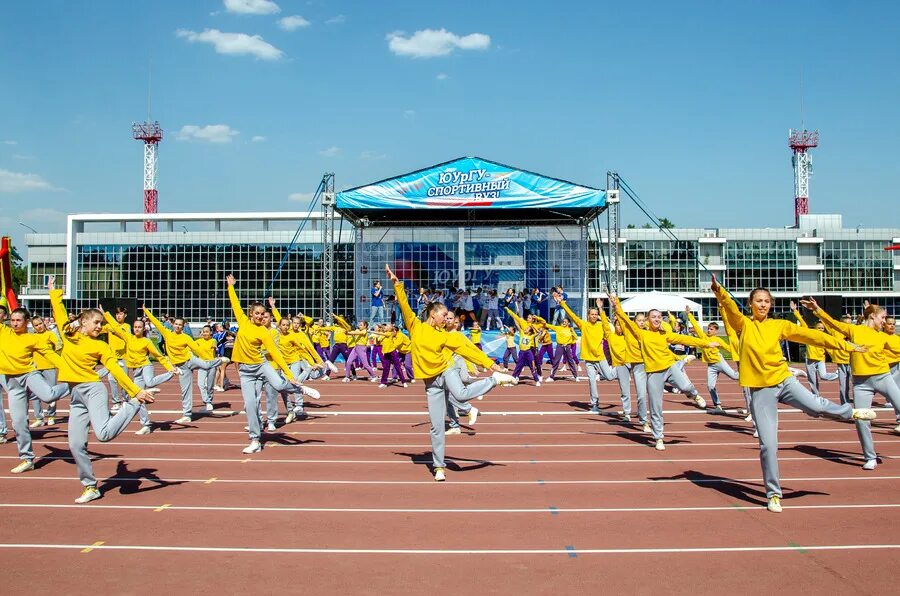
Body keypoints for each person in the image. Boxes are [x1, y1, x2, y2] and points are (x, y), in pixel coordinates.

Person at [712, 276, 876, 513]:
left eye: (767, 301)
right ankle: (773, 494)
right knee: (768, 445)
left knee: (816, 407)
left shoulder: (779, 325)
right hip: (761, 390)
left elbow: (811, 336)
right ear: (750, 304)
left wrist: (845, 346)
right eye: (758, 300)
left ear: (771, 305)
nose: (763, 304)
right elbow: (730, 308)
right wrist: (719, 291)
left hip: (784, 380)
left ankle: (851, 412)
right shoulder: (743, 325)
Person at [386, 263, 516, 481]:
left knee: (461, 394)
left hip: (445, 370)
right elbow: (404, 304)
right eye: (444, 314)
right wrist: (396, 283)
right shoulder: (416, 327)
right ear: (433, 315)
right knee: (437, 427)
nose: (447, 318)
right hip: (430, 383)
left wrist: (493, 366)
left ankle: (494, 380)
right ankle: (439, 466)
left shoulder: (447, 335)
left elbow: (468, 350)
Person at [48, 277, 157, 503]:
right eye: (96, 322)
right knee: (76, 444)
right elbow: (59, 313)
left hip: (94, 390)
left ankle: (133, 406)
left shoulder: (101, 346)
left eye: (101, 322)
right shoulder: (70, 338)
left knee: (104, 434)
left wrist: (136, 392)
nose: (100, 326)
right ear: (83, 323)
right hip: (75, 394)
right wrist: (54, 292)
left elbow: (116, 371)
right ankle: (90, 486)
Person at [801, 297, 900, 470]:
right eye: (882, 318)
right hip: (861, 383)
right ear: (873, 317)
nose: (884, 321)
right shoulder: (854, 330)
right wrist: (816, 309)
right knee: (861, 420)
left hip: (883, 377)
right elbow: (832, 324)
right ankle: (870, 457)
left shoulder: (883, 336)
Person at [226, 275, 319, 454]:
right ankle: (255, 439)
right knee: (250, 404)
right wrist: (231, 287)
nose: (261, 316)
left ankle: (299, 388)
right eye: (257, 313)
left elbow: (276, 355)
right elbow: (235, 303)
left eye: (263, 314)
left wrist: (290, 375)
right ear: (250, 314)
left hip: (262, 365)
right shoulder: (243, 322)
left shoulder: (264, 332)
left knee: (278, 384)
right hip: (246, 371)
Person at [611, 296, 717, 450]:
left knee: (686, 386)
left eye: (659, 317)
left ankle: (694, 394)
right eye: (653, 317)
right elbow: (626, 320)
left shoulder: (665, 333)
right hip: (653, 373)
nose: (657, 319)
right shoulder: (641, 334)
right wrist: (616, 306)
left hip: (669, 367)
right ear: (647, 320)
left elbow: (685, 339)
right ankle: (658, 437)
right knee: (656, 407)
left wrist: (706, 344)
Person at [0, 306, 70, 474]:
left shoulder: (33, 339)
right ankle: (27, 459)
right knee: (18, 423)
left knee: (48, 396)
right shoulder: (3, 332)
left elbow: (51, 355)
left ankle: (72, 385)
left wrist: (69, 370)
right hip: (12, 382)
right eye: (13, 320)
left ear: (26, 322)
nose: (15, 324)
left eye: (19, 321)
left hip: (29, 375)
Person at [144, 307, 227, 423]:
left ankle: (220, 360)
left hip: (190, 360)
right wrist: (146, 311)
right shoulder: (167, 333)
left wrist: (209, 358)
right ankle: (187, 415)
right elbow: (156, 323)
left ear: (183, 327)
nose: (177, 326)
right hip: (181, 367)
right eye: (176, 324)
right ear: (173, 324)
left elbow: (197, 349)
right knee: (186, 391)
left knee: (206, 365)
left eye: (180, 325)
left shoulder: (186, 337)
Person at [101, 311, 179, 435]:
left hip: (146, 366)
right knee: (138, 397)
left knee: (149, 381)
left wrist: (170, 368)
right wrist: (105, 314)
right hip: (136, 370)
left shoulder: (146, 341)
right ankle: (146, 425)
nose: (137, 329)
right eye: (135, 327)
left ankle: (172, 373)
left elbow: (158, 356)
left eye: (139, 327)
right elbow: (116, 327)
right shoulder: (128, 337)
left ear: (144, 329)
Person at [683, 308, 739, 412]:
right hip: (711, 366)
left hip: (719, 362)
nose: (709, 330)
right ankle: (717, 405)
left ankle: (749, 374)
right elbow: (696, 327)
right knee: (710, 386)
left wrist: (740, 352)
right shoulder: (704, 337)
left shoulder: (718, 340)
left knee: (735, 376)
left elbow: (729, 349)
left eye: (711, 329)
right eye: (708, 328)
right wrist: (689, 315)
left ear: (716, 331)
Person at [791, 302, 839, 395]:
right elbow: (802, 322)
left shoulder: (824, 337)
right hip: (810, 360)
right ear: (815, 328)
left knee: (823, 375)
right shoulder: (810, 334)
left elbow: (830, 349)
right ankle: (815, 396)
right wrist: (795, 311)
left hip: (820, 359)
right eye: (819, 328)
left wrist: (836, 358)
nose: (821, 329)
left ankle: (836, 374)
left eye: (822, 328)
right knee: (812, 380)